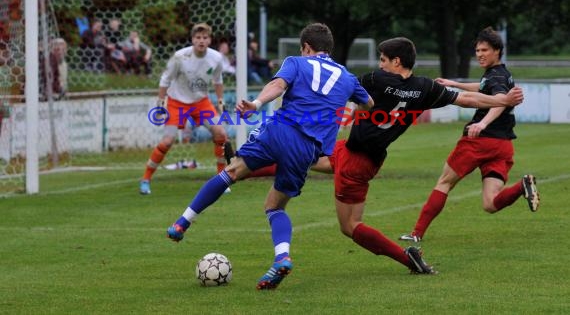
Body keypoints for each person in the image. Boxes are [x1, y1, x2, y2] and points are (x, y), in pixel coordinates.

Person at [230, 36, 524, 275]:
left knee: (350, 226)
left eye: (383, 59)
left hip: (357, 160)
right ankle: (243, 165)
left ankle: (407, 257)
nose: (380, 64)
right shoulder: (424, 88)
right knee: (305, 158)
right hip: (363, 155)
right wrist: (501, 99)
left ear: (396, 62)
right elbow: (468, 99)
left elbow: (339, 87)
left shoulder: (378, 79)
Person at [166, 23, 374, 290]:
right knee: (275, 206)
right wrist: (351, 114)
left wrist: (256, 104)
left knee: (231, 172)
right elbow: (369, 104)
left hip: (280, 131)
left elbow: (278, 84)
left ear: (307, 48)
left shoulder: (297, 62)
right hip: (308, 149)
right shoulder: (348, 78)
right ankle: (282, 257)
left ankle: (182, 223)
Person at [399, 27, 539, 243]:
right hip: (503, 146)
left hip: (479, 141)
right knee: (490, 204)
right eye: (477, 50)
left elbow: (500, 100)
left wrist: (481, 123)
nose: (480, 54)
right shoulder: (500, 73)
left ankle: (416, 234)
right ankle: (522, 186)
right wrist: (454, 83)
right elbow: (484, 87)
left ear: (497, 51)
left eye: (485, 50)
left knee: (444, 182)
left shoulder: (497, 77)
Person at [139, 22, 228, 195]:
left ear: (210, 40)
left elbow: (218, 81)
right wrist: (160, 101)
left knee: (221, 133)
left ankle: (221, 180)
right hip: (176, 102)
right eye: (198, 37)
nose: (201, 41)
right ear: (192, 39)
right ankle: (145, 179)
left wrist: (220, 101)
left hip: (201, 102)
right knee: (167, 141)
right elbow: (165, 79)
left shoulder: (216, 58)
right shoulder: (180, 57)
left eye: (205, 37)